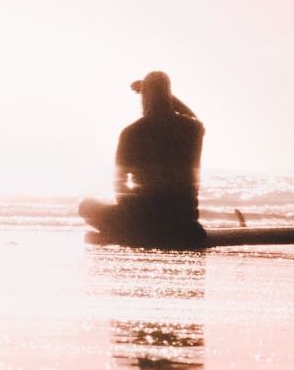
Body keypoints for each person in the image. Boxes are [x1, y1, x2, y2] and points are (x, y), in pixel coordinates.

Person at [79, 70, 206, 249]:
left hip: (144, 223)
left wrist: (132, 212)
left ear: (144, 98)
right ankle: (130, 232)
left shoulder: (131, 133)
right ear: (169, 96)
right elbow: (192, 116)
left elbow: (119, 184)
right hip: (185, 223)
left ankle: (127, 234)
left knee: (86, 206)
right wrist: (166, 96)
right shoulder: (193, 129)